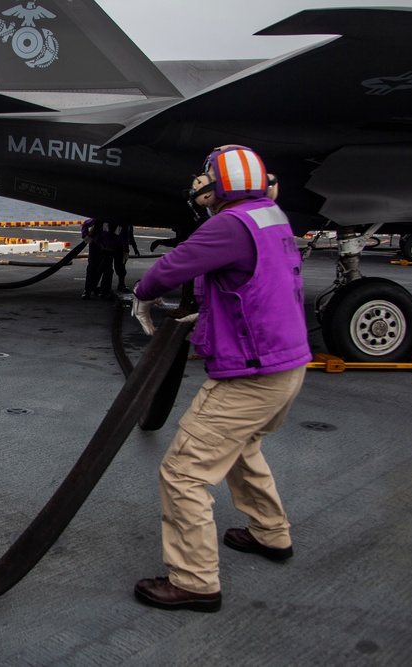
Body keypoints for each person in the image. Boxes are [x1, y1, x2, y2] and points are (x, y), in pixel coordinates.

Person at [130, 145, 311, 612]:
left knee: (184, 471)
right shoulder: (270, 214)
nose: (201, 183)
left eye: (208, 176)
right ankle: (270, 533)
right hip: (287, 366)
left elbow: (172, 267)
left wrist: (141, 294)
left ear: (225, 185)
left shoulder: (230, 224)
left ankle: (193, 581)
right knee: (240, 447)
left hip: (252, 375)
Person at [80, 218, 131, 299]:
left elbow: (125, 237)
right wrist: (85, 236)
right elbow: (86, 223)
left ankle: (105, 292)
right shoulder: (101, 219)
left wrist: (126, 251)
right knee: (92, 268)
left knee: (108, 270)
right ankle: (87, 291)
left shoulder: (122, 224)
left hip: (110, 248)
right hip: (96, 245)